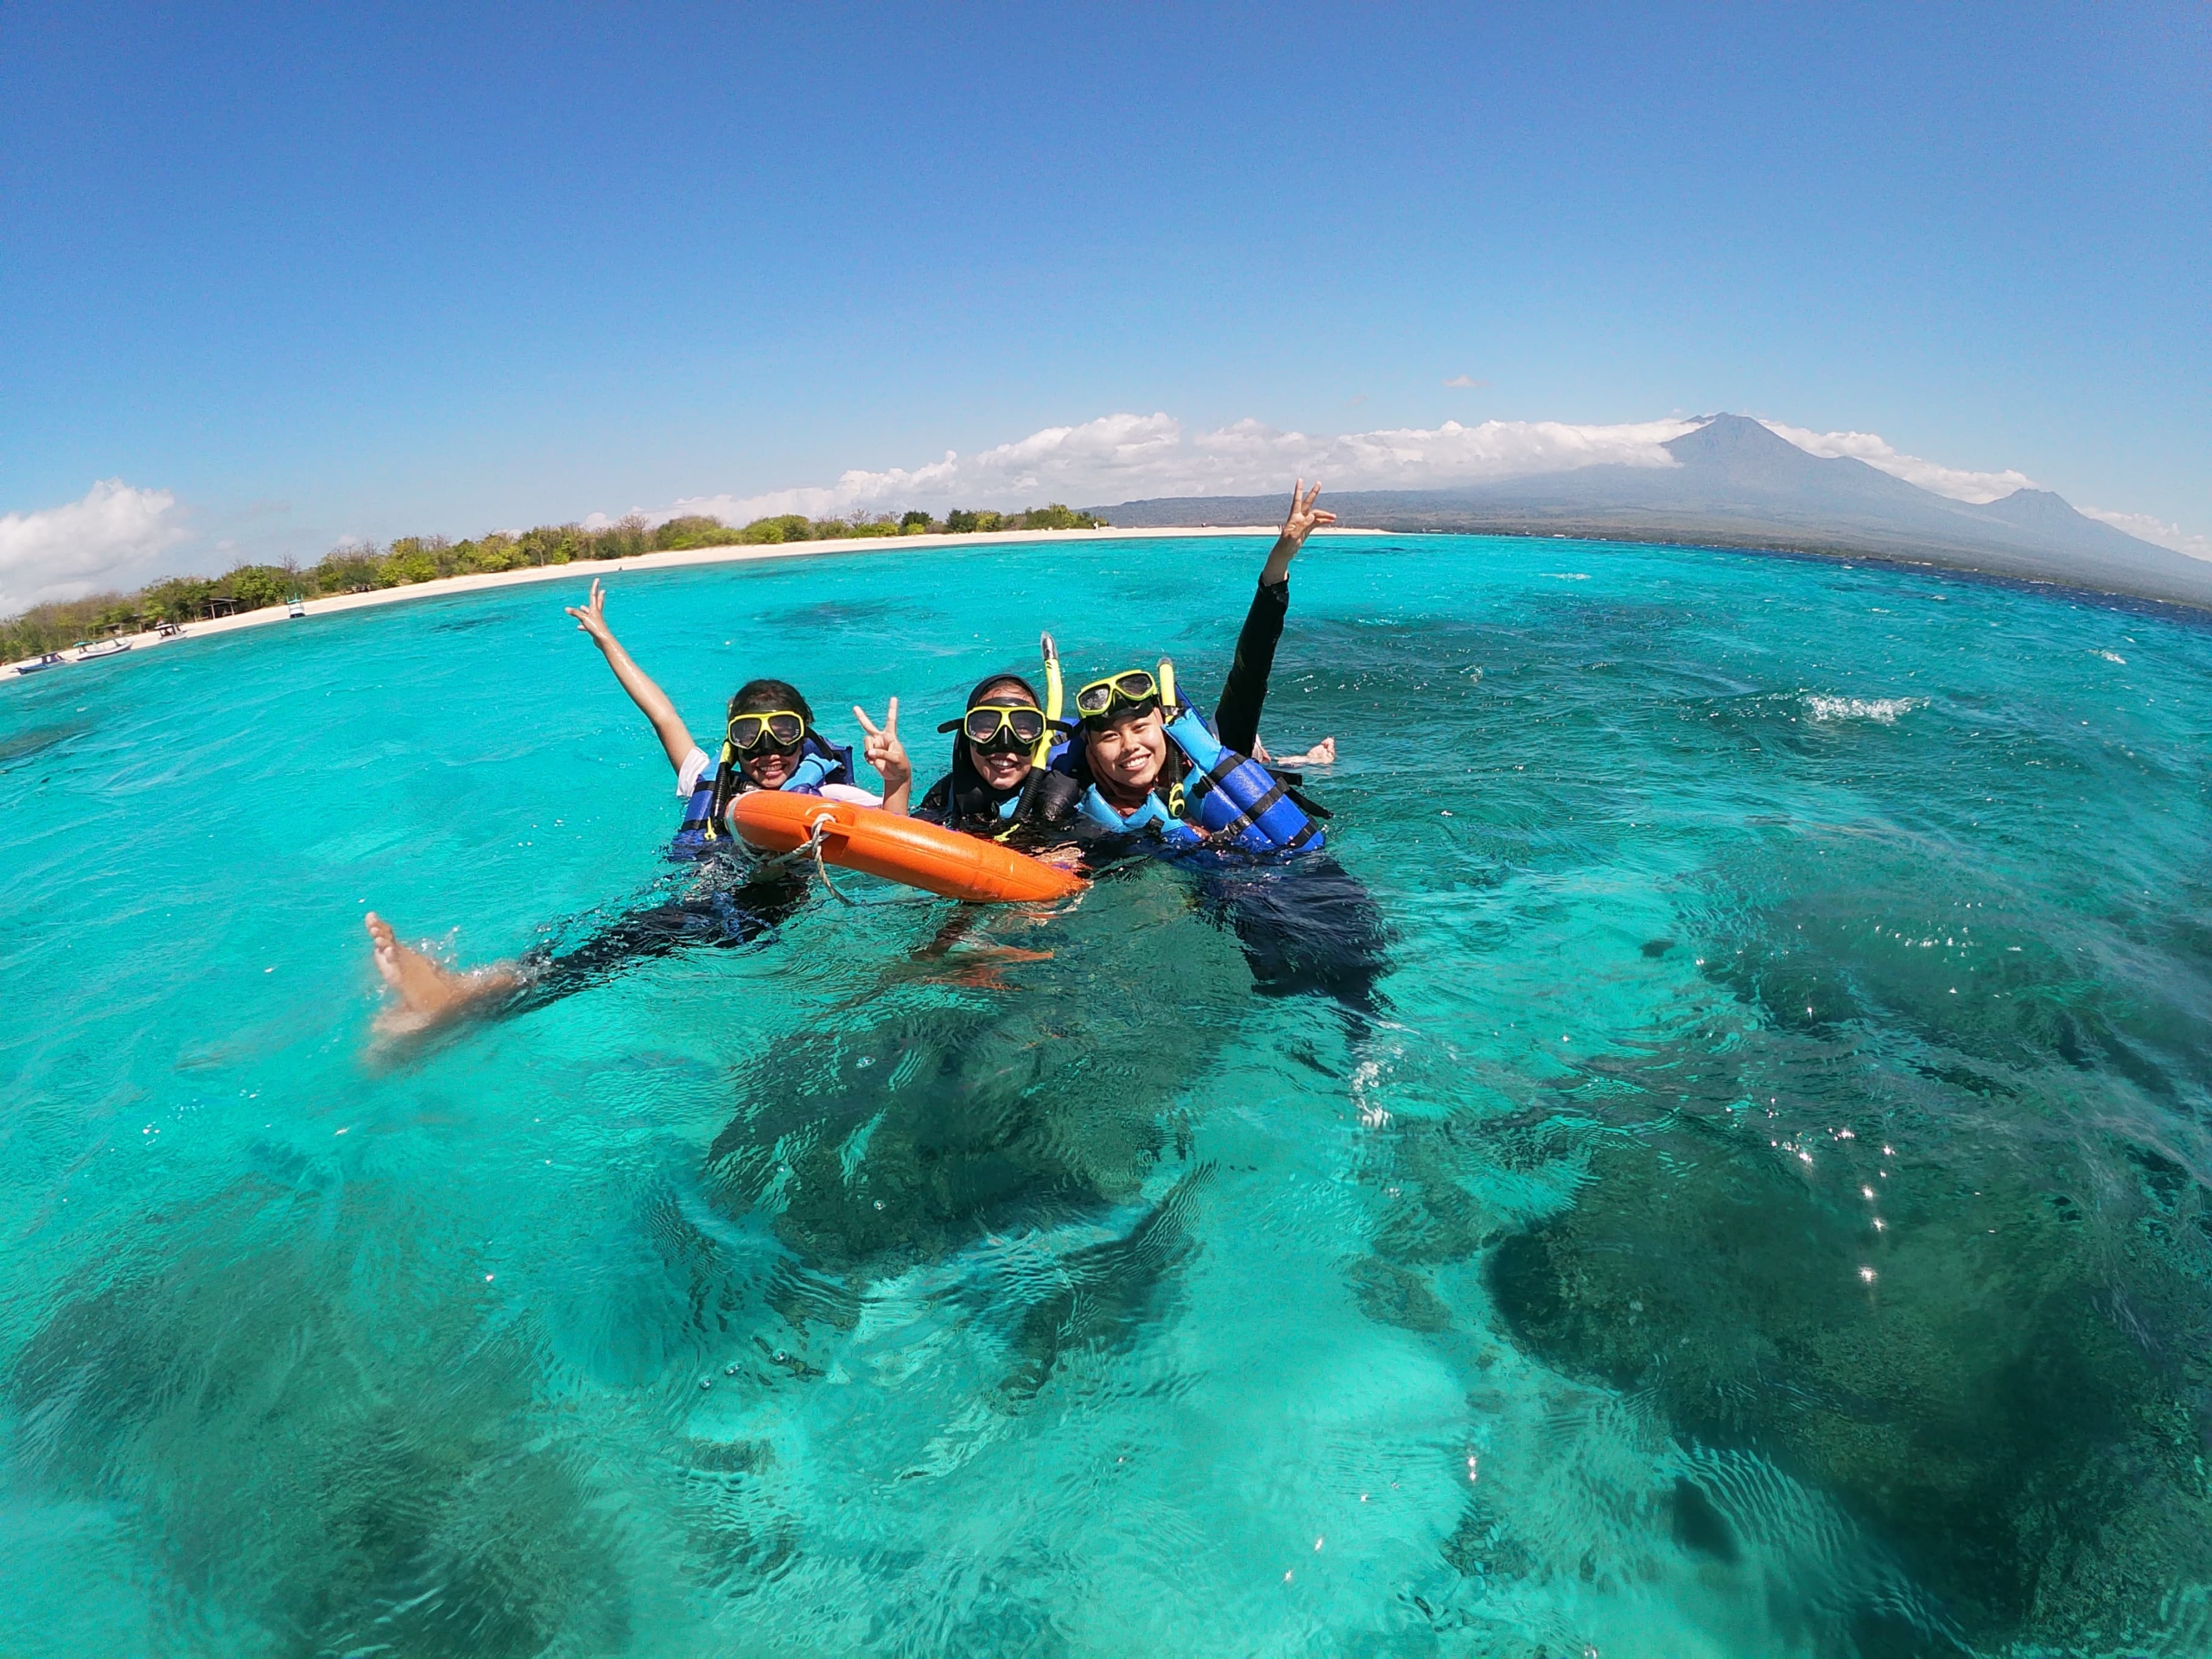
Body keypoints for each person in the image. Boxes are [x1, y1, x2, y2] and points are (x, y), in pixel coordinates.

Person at [364, 579, 911, 1031]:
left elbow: (899, 847)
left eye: (784, 734)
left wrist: (898, 780)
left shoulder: (833, 798)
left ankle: (464, 1005)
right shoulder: (708, 778)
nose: (769, 752)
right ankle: (475, 986)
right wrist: (606, 641)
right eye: (751, 736)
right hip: (691, 893)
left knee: (631, 938)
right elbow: (662, 712)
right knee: (577, 931)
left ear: (806, 736)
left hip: (757, 915)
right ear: (732, 742)